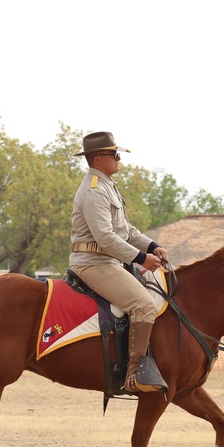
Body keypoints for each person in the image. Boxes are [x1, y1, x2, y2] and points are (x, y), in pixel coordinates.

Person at [69, 131, 169, 393]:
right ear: (98, 158)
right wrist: (141, 259)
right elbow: (105, 237)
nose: (119, 158)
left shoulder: (106, 186)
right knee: (144, 305)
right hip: (93, 263)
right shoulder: (93, 191)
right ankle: (133, 376)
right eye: (114, 154)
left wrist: (152, 246)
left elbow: (126, 230)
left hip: (109, 263)